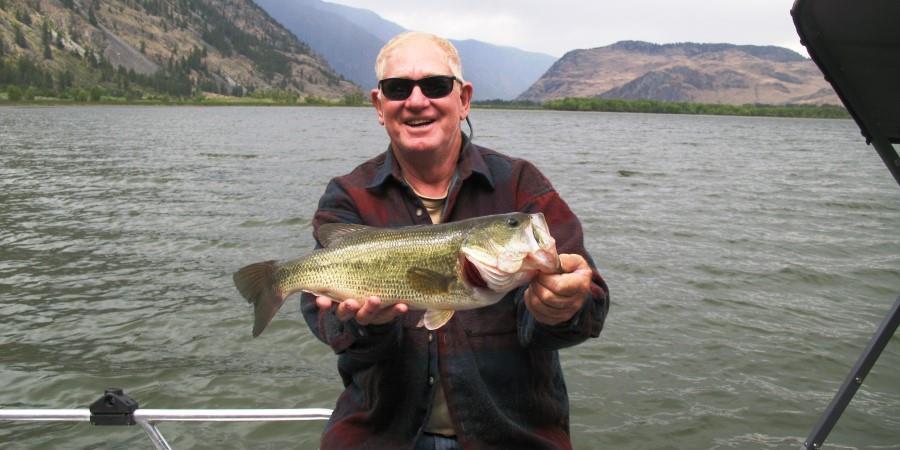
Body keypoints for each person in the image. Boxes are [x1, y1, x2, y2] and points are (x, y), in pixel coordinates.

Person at [300, 31, 609, 450]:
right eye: (397, 89)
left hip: (510, 437)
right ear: (379, 106)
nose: (415, 100)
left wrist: (563, 307)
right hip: (381, 437)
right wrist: (364, 325)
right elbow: (329, 322)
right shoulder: (348, 195)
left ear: (463, 99)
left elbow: (588, 307)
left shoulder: (521, 186)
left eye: (435, 85)